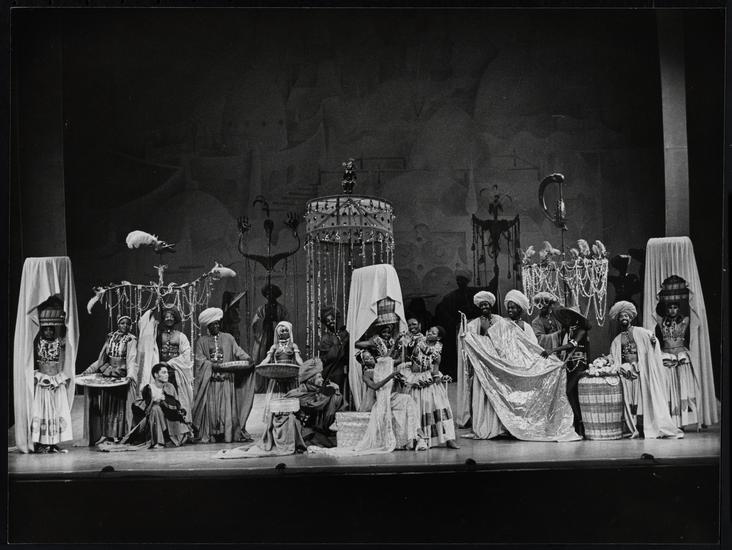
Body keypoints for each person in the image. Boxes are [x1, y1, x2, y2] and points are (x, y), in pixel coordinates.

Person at [457, 291, 579, 441]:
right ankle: (505, 427)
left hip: (522, 365)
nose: (510, 310)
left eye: (513, 308)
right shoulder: (502, 324)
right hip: (506, 366)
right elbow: (494, 342)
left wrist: (548, 363)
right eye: (508, 308)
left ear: (520, 309)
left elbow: (533, 348)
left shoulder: (526, 326)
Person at [609, 301, 683, 439]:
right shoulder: (617, 340)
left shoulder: (641, 332)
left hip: (641, 373)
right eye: (621, 316)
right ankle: (635, 427)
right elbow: (615, 357)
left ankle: (647, 427)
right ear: (619, 320)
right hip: (628, 375)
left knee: (643, 402)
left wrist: (653, 342)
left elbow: (651, 342)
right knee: (632, 403)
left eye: (626, 316)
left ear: (630, 318)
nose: (624, 318)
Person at [193, 307, 254, 443]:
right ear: (208, 326)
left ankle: (227, 434)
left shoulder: (228, 338)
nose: (216, 326)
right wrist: (211, 365)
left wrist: (248, 358)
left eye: (217, 323)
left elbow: (238, 351)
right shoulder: (202, 341)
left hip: (226, 381)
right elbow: (200, 360)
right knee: (212, 410)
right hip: (211, 382)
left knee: (226, 409)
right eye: (213, 324)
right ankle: (213, 435)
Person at [81, 315, 138, 445]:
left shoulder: (131, 340)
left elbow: (131, 359)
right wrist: (88, 370)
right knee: (106, 404)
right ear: (118, 324)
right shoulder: (111, 337)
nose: (125, 326)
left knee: (118, 405)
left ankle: (118, 434)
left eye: (128, 324)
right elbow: (102, 358)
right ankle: (106, 434)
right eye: (122, 323)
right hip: (108, 373)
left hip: (121, 374)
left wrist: (130, 376)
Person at [400, 326, 459, 449]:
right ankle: (418, 439)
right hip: (414, 378)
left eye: (433, 333)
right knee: (416, 408)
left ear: (438, 337)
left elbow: (435, 371)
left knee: (439, 406)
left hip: (428, 379)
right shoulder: (418, 342)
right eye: (429, 331)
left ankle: (449, 439)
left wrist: (440, 378)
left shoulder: (437, 352)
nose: (429, 333)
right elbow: (407, 349)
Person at [654, 276, 700, 430]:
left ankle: (684, 421)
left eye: (675, 307)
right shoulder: (661, 321)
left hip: (681, 357)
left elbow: (695, 310)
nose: (672, 310)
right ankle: (671, 421)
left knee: (683, 387)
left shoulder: (685, 320)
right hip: (666, 357)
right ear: (666, 309)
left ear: (678, 309)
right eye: (670, 308)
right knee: (669, 388)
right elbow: (651, 312)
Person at [356, 350, 426, 451]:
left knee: (409, 400)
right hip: (382, 401)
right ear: (364, 363)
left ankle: (417, 437)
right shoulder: (366, 375)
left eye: (370, 356)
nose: (371, 358)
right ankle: (418, 438)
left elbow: (399, 360)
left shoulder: (383, 365)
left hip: (393, 397)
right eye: (367, 358)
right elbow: (375, 386)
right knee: (408, 401)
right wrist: (390, 376)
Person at [31, 298, 72, 453]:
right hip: (43, 381)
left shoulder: (59, 342)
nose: (48, 332)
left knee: (56, 411)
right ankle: (41, 442)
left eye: (51, 329)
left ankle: (53, 442)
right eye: (46, 329)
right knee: (42, 411)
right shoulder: (38, 342)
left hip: (56, 381)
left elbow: (68, 332)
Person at [542, 305, 591, 438]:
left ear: (576, 318)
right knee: (571, 394)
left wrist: (552, 350)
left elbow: (571, 345)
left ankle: (580, 422)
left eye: (570, 316)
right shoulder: (565, 331)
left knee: (570, 391)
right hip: (569, 365)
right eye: (566, 316)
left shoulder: (581, 330)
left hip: (579, 365)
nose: (567, 318)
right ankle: (576, 424)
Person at [284, 359, 343, 447]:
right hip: (299, 432)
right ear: (310, 379)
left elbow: (328, 408)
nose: (322, 379)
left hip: (313, 431)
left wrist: (337, 391)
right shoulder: (295, 394)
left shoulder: (317, 395)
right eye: (319, 377)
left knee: (329, 445)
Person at [132, 363, 190, 448]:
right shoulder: (148, 388)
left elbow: (176, 404)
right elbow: (138, 406)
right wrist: (153, 401)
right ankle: (158, 441)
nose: (167, 375)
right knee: (156, 408)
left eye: (167, 373)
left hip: (169, 417)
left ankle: (168, 437)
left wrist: (166, 401)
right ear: (156, 375)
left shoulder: (170, 387)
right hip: (152, 419)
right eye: (163, 372)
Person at [434, 268, 479, 378]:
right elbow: (443, 313)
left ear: (467, 281)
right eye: (458, 280)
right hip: (456, 329)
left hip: (472, 328)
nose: (460, 282)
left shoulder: (473, 295)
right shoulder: (450, 297)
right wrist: (454, 323)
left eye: (463, 280)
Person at [251, 284, 288, 391]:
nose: (269, 296)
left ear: (275, 295)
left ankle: (276, 388)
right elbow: (254, 323)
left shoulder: (281, 309)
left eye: (271, 294)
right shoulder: (261, 309)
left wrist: (277, 324)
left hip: (277, 336)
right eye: (267, 294)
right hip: (264, 336)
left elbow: (286, 323)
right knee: (262, 357)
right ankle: (262, 386)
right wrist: (264, 322)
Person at [318, 306, 349, 393]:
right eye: (327, 321)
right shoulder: (326, 338)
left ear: (337, 318)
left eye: (332, 319)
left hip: (346, 369)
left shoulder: (344, 332)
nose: (330, 322)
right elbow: (330, 356)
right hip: (332, 371)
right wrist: (342, 345)